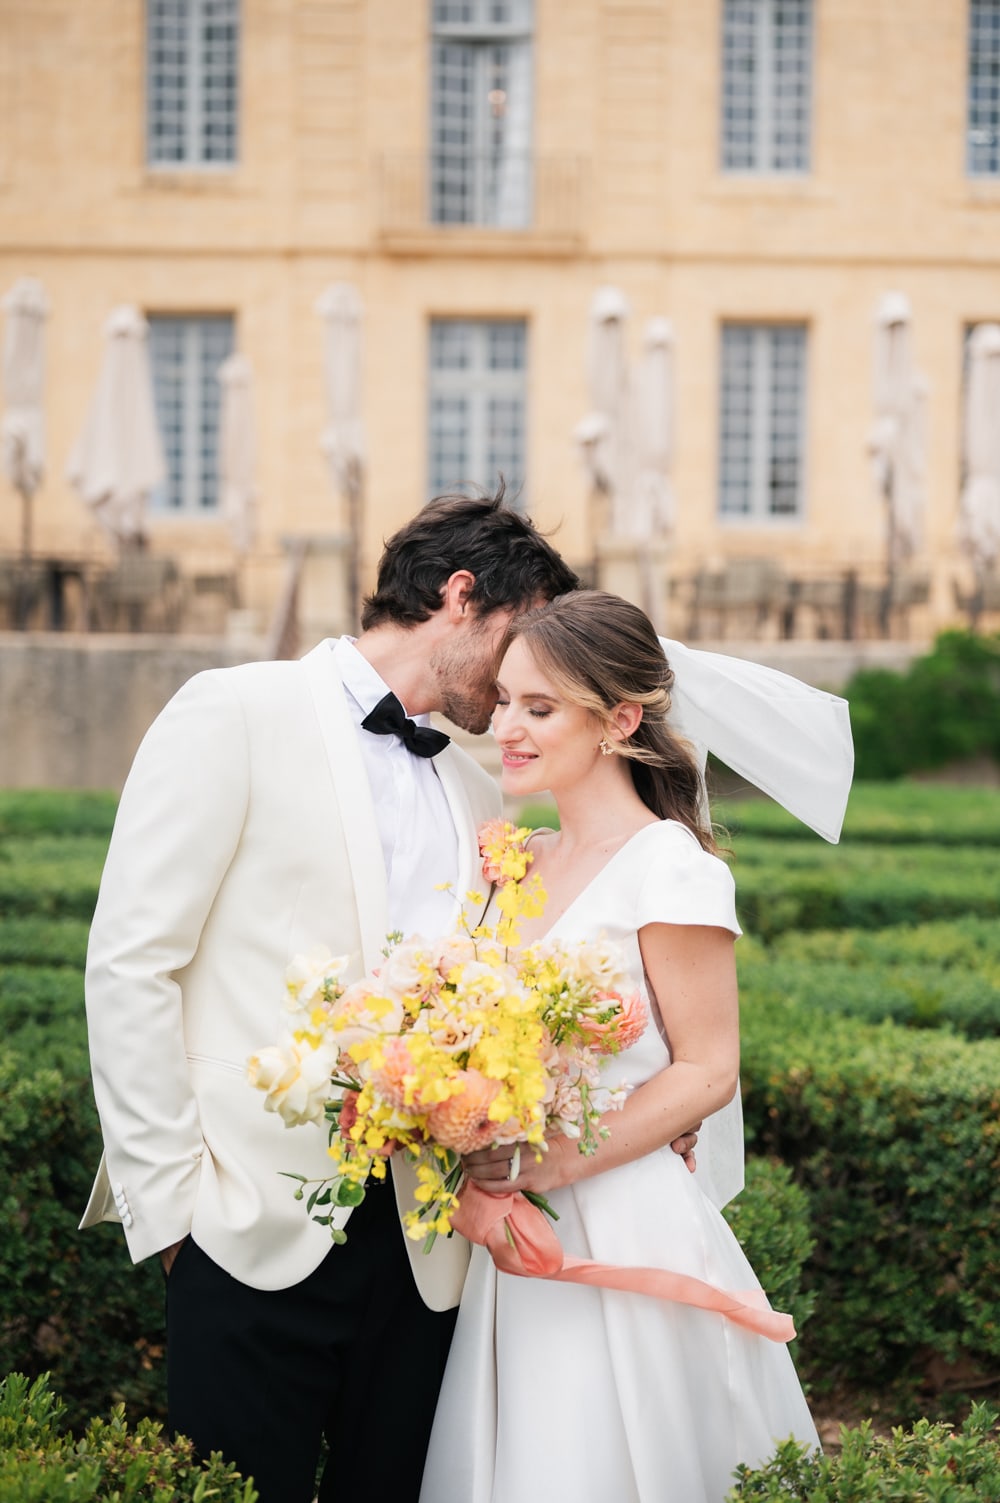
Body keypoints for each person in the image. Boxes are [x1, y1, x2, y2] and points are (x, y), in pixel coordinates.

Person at [79, 490, 696, 1503]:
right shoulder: (232, 711)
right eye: (520, 640)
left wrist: (621, 1089)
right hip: (243, 1223)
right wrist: (175, 1215)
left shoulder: (479, 784)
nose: (521, 683)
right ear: (461, 598)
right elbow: (131, 962)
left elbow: (521, 985)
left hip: (429, 1246)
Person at [419, 590, 821, 1503]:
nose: (506, 728)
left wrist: (554, 1161)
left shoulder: (671, 866)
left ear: (621, 720)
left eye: (539, 707)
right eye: (507, 700)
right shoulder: (514, 861)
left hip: (618, 1214)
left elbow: (708, 1070)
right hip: (511, 1228)